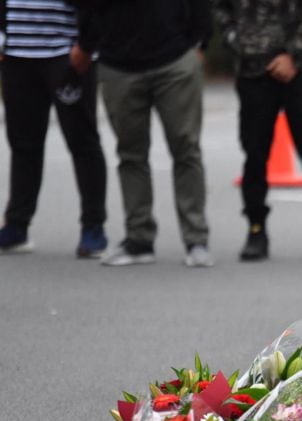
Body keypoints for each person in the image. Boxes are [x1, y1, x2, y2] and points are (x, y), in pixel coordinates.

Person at [213, 0, 302, 262]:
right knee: (255, 154)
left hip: (300, 72)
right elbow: (221, 9)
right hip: (253, 72)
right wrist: (239, 41)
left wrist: (293, 55)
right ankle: (256, 230)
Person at [77, 0, 213, 268]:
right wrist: (87, 43)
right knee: (130, 153)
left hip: (174, 58)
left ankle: (196, 239)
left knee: (186, 148)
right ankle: (139, 240)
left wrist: (201, 42)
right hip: (118, 64)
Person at [0, 0, 107, 257]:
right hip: (17, 51)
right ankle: (17, 225)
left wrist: (87, 45)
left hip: (67, 53)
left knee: (82, 141)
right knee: (23, 143)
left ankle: (93, 227)